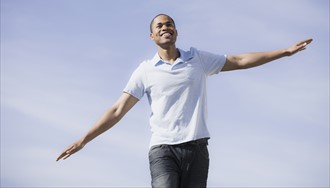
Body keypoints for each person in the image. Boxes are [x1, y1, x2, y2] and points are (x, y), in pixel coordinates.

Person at [56, 13, 312, 188]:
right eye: (159, 26)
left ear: (176, 31)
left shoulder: (197, 59)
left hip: (198, 149)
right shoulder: (145, 70)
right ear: (152, 36)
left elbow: (240, 61)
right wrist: (83, 140)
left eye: (169, 24)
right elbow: (117, 110)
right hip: (163, 149)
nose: (165, 27)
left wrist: (285, 52)